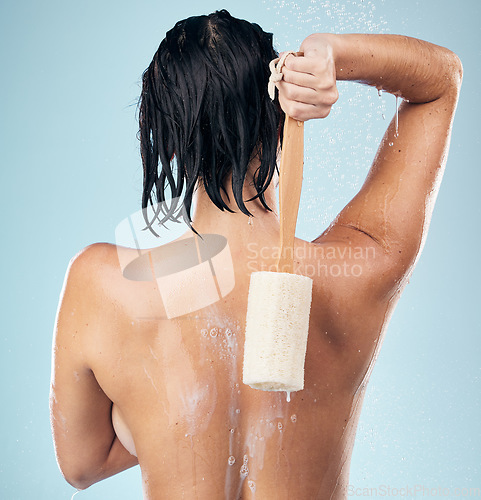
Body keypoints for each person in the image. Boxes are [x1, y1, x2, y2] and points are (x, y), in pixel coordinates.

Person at [49, 9, 462, 500]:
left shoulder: (103, 285)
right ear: (281, 113)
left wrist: (154, 420)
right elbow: (440, 82)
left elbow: (81, 465)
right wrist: (333, 53)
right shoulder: (358, 269)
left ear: (168, 137)